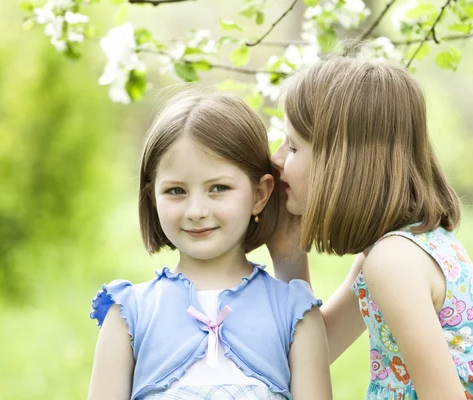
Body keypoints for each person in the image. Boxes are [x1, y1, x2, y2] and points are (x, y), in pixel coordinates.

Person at [269, 56, 473, 399]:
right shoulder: (399, 249)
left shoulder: (393, 262)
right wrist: (290, 257)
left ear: (342, 164)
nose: (276, 156)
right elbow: (312, 357)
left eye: (293, 145)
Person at [88, 91, 332, 400]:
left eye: (218, 188)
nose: (196, 211)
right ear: (152, 199)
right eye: (176, 191)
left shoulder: (294, 311)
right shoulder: (128, 313)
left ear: (260, 194)